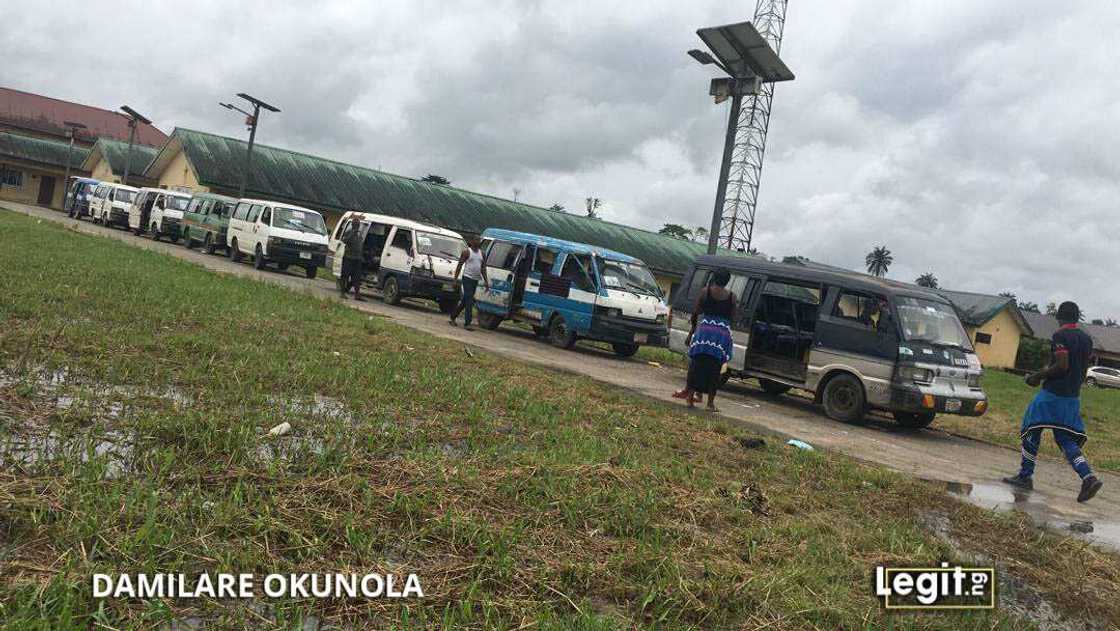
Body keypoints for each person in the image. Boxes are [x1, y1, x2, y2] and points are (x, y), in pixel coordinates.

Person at [1003, 301, 1103, 503]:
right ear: (1077, 317)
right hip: (1072, 397)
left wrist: (1037, 376)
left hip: (1052, 395)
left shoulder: (1060, 336)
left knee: (1031, 429)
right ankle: (1088, 477)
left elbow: (1062, 365)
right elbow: (1078, 367)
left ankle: (1025, 476)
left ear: (1059, 317)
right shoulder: (1086, 339)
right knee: (1065, 440)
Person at [673, 270, 735, 411]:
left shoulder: (705, 292)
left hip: (705, 332)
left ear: (714, 278)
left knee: (696, 364)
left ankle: (689, 399)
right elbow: (732, 319)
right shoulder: (732, 297)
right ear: (727, 281)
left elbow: (695, 314)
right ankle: (710, 404)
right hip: (721, 335)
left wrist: (691, 333)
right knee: (715, 368)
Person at [449, 237, 489, 331]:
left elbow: (483, 268)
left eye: (478, 240)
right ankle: (467, 323)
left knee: (465, 301)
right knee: (469, 300)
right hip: (467, 278)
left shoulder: (482, 254)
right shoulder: (467, 252)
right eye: (475, 240)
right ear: (471, 241)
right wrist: (455, 279)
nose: (477, 242)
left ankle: (453, 317)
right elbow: (459, 265)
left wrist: (486, 281)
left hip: (475, 280)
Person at [339, 216, 366, 301]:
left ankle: (357, 295)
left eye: (358, 224)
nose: (357, 226)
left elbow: (360, 245)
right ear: (353, 225)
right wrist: (352, 233)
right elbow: (344, 241)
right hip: (348, 257)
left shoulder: (360, 233)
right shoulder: (349, 232)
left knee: (357, 277)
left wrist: (361, 256)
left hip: (357, 258)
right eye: (356, 224)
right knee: (345, 276)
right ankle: (342, 293)